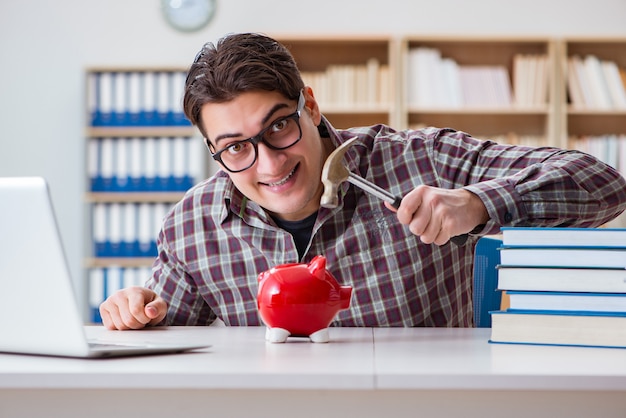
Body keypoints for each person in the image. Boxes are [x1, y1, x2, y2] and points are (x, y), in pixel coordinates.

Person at [100, 32, 626, 330]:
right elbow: (162, 338)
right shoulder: (193, 223)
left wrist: (476, 203)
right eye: (236, 147)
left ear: (309, 103)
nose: (268, 165)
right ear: (215, 151)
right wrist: (135, 312)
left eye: (279, 126)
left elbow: (604, 184)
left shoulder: (423, 160)